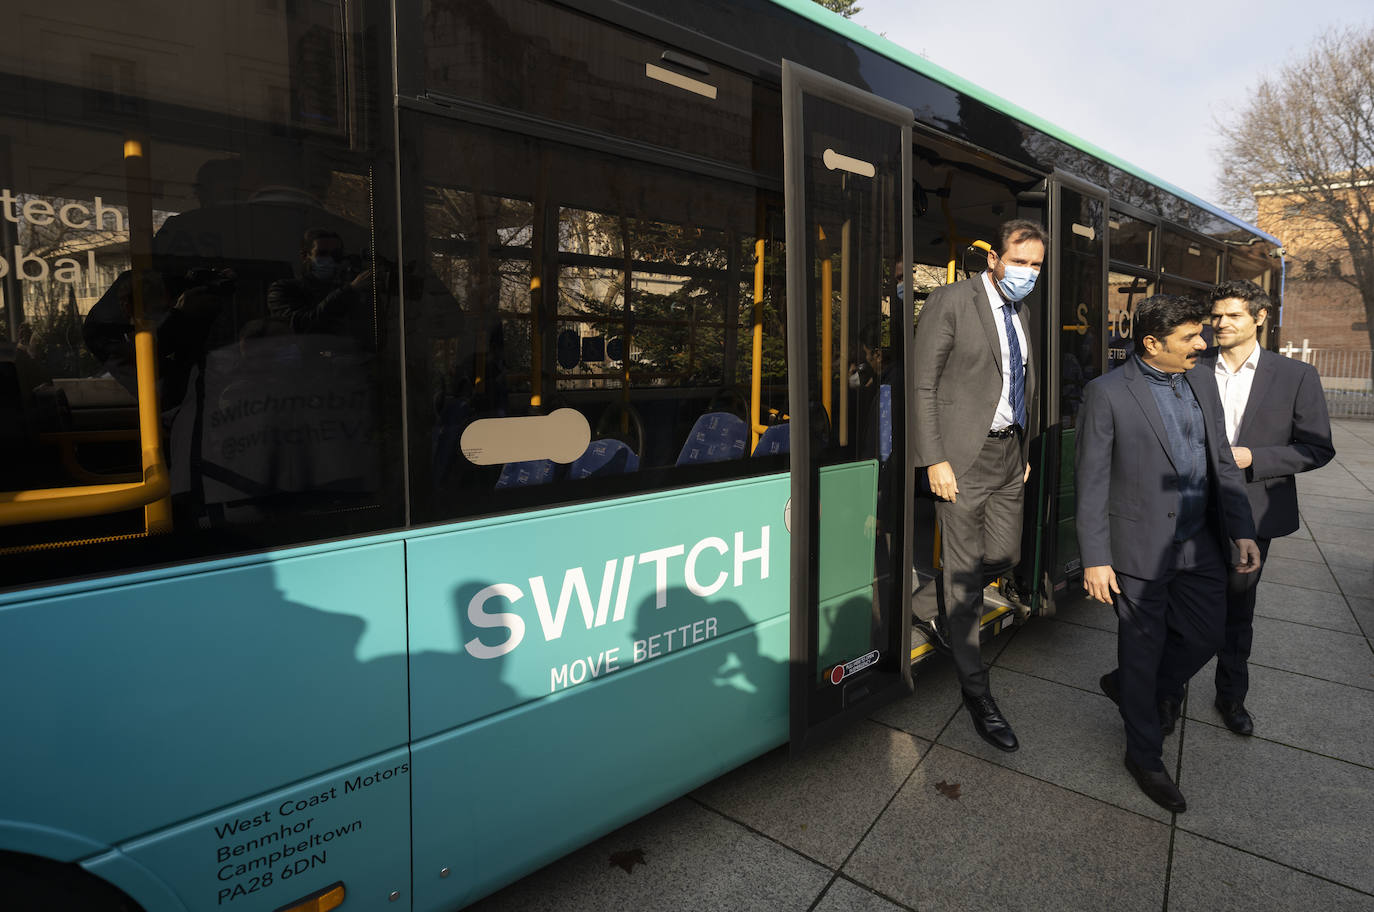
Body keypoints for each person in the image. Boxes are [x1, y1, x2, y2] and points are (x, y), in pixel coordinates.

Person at [1077, 294, 1262, 813]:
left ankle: (1131, 688)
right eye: (1189, 338)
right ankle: (1144, 757)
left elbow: (1222, 460)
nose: (1203, 345)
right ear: (1152, 343)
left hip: (1200, 542)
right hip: (1138, 548)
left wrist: (1241, 529)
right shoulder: (1107, 393)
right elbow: (1090, 481)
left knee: (1207, 635)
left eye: (1201, 335)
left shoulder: (1200, 379)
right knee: (1141, 647)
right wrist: (1095, 557)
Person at [912, 218, 1045, 753]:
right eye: (1020, 262)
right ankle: (977, 692)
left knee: (1005, 554)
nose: (1027, 273)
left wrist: (1025, 452)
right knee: (967, 580)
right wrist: (934, 459)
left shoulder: (1022, 311)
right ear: (994, 258)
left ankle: (929, 601)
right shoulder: (951, 301)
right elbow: (922, 383)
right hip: (960, 459)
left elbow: (1020, 382)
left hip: (1009, 456)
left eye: (1036, 265)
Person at [1205, 279, 1334, 735]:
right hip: (1187, 505)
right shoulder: (1194, 366)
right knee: (1179, 606)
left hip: (1254, 510)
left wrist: (1255, 456)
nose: (1221, 323)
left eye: (1233, 315)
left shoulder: (1296, 376)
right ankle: (1165, 695)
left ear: (1259, 318)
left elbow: (1317, 449)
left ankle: (1231, 697)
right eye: (1217, 314)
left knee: (1238, 610)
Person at [267, 228, 374, 346]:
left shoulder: (345, 289)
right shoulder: (283, 289)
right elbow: (300, 325)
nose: (329, 260)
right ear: (305, 256)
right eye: (322, 254)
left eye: (335, 255)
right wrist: (349, 290)